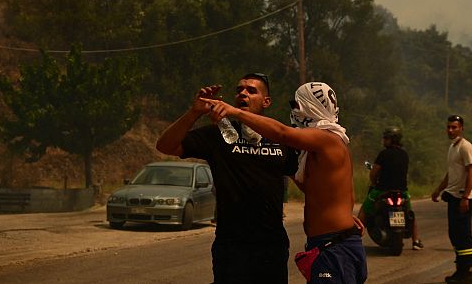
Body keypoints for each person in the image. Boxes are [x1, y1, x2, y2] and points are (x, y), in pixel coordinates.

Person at [202, 82, 367, 284]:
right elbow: (322, 192)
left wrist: (235, 112)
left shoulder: (327, 139)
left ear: (310, 106)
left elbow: (282, 133)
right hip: (331, 243)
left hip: (334, 247)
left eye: (296, 104)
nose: (294, 110)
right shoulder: (319, 148)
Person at [156, 72, 298, 284]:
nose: (243, 93)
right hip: (232, 245)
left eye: (251, 90)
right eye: (239, 90)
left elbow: (305, 179)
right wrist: (194, 112)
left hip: (271, 245)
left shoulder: (279, 136)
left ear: (266, 101)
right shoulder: (219, 135)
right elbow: (165, 146)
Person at [357, 126, 423, 250]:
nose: (384, 140)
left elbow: (373, 173)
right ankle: (416, 240)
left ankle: (354, 239)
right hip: (402, 192)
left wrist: (374, 183)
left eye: (386, 138)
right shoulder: (404, 155)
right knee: (410, 213)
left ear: (392, 139)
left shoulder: (383, 154)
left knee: (364, 211)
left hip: (382, 190)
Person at [431, 115, 472, 284]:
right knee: (455, 235)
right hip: (453, 197)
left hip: (462, 198)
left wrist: (465, 197)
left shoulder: (466, 147)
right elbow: (451, 173)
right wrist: (438, 189)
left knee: (464, 236)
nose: (451, 130)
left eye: (454, 127)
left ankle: (468, 273)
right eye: (449, 127)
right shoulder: (453, 147)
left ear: (461, 128)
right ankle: (460, 271)